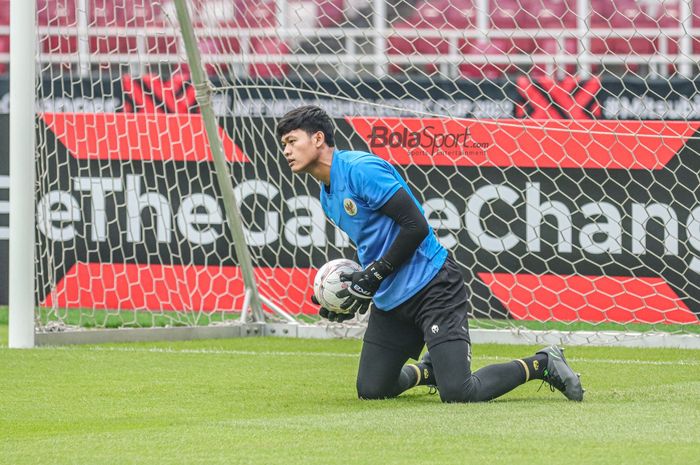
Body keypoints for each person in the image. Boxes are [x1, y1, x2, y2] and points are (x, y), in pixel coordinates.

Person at [276, 105, 584, 402]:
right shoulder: (327, 196)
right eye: (283, 144)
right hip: (391, 298)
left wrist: (374, 275)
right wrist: (350, 291)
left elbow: (415, 226)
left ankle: (542, 363)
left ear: (318, 139)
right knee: (372, 389)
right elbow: (376, 244)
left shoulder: (360, 169)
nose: (286, 151)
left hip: (433, 287)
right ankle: (429, 371)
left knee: (460, 392)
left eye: (292, 141)